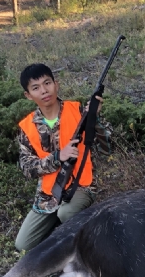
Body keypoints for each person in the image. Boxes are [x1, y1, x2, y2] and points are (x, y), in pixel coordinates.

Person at [15, 63, 112, 251]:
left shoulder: (78, 112)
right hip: (49, 194)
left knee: (66, 213)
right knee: (23, 245)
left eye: (47, 83)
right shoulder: (27, 127)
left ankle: (88, 244)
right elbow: (27, 168)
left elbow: (107, 147)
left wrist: (94, 118)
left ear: (56, 84)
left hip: (82, 186)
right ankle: (63, 227)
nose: (44, 91)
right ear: (28, 95)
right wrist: (59, 156)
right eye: (36, 88)